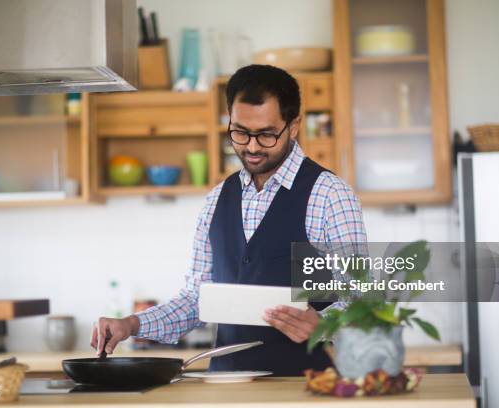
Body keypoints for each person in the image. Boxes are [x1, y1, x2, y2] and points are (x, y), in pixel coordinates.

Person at [91, 64, 367, 376]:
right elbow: (197, 299)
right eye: (240, 132)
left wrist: (323, 323)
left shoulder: (329, 195)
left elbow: (360, 299)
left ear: (293, 126)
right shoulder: (216, 200)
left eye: (266, 134)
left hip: (304, 388)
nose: (251, 147)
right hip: (226, 387)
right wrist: (132, 324)